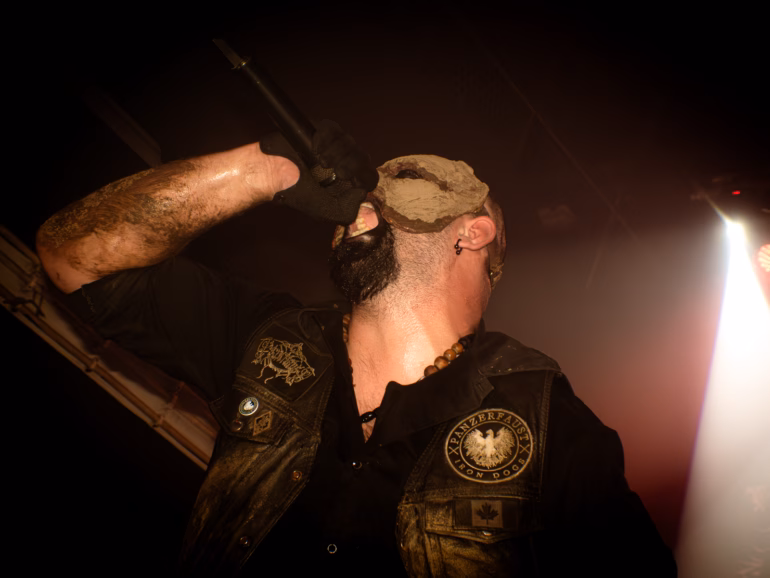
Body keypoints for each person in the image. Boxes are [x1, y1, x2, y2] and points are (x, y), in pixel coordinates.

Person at [37, 121, 676, 576]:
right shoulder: (270, 336)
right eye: (365, 192)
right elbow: (73, 256)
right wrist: (262, 170)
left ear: (473, 232)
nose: (365, 195)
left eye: (404, 182)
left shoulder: (550, 427)